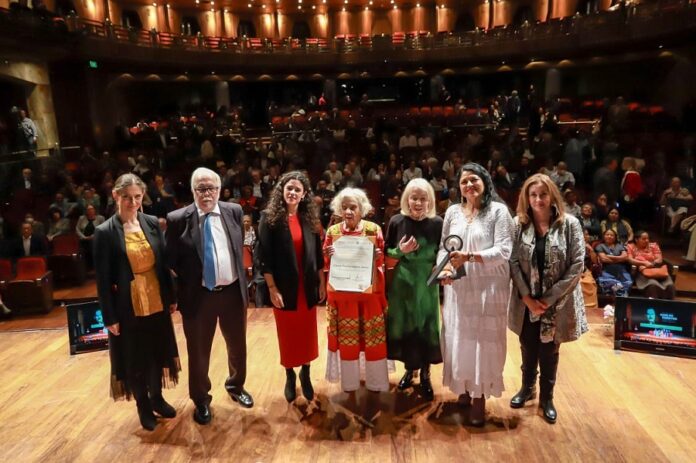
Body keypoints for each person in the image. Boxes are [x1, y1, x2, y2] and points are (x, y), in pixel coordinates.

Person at [166, 167, 252, 425]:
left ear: (219, 189)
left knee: (237, 346)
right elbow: (169, 262)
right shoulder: (177, 218)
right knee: (199, 352)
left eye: (211, 188)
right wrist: (176, 294)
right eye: (200, 189)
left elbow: (238, 249)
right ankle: (201, 400)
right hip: (199, 296)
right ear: (193, 191)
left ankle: (236, 386)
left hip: (232, 294)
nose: (206, 194)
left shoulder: (234, 211)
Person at [93, 173, 180, 431]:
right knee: (135, 356)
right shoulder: (104, 232)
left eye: (137, 197)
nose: (133, 202)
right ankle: (143, 405)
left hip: (155, 297)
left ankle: (157, 397)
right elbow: (103, 280)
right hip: (127, 304)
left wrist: (172, 297)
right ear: (116, 196)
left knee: (156, 350)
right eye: (127, 197)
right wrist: (109, 317)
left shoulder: (152, 222)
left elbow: (163, 265)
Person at [437, 163, 514, 427]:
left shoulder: (499, 212)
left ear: (485, 181)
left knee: (483, 340)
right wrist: (445, 268)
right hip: (459, 286)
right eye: (463, 182)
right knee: (460, 336)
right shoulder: (452, 212)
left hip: (488, 287)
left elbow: (504, 251)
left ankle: (480, 396)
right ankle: (464, 386)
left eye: (474, 180)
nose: (468, 185)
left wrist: (469, 257)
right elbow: (443, 247)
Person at [508, 173, 587, 424]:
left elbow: (577, 264)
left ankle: (547, 398)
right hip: (526, 300)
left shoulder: (570, 224)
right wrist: (527, 297)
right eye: (533, 195)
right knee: (527, 344)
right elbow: (512, 261)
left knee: (549, 350)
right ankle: (527, 387)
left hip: (557, 302)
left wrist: (549, 299)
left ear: (552, 195)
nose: (538, 199)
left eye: (543, 194)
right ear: (526, 197)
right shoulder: (518, 224)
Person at [256, 171, 326, 403]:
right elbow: (263, 256)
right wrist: (272, 288)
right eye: (289, 188)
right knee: (287, 334)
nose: (293, 192)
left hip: (306, 287)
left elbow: (317, 254)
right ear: (282, 191)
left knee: (306, 333)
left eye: (298, 189)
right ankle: (289, 374)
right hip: (284, 288)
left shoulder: (309, 219)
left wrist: (322, 282)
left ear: (304, 194)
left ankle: (305, 373)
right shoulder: (269, 218)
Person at [323, 187, 389, 393]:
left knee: (373, 339)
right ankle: (349, 383)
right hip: (343, 297)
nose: (348, 211)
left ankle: (376, 383)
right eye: (344, 207)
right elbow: (327, 264)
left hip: (369, 295)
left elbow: (382, 260)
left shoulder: (373, 229)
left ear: (362, 209)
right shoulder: (332, 232)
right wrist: (327, 254)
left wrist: (379, 256)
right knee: (348, 341)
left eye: (353, 207)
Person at [385, 179, 443, 401]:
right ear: (406, 199)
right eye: (414, 198)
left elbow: (444, 250)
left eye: (423, 198)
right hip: (402, 283)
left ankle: (426, 374)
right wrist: (400, 250)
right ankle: (410, 371)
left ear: (430, 200)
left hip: (426, 283)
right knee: (406, 325)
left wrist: (440, 264)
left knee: (426, 326)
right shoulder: (396, 220)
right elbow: (387, 253)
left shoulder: (437, 222)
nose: (418, 202)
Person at [626, 231, 674, 299]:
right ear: (636, 240)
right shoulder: (631, 246)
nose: (647, 240)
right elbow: (630, 259)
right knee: (653, 284)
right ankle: (653, 305)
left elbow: (659, 259)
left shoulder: (653, 245)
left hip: (658, 269)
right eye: (644, 239)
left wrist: (651, 264)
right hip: (642, 273)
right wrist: (644, 263)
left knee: (670, 285)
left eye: (647, 238)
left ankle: (670, 305)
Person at [595, 229, 633, 297]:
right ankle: (621, 297)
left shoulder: (619, 246)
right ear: (604, 236)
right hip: (607, 270)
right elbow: (604, 259)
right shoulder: (600, 246)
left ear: (615, 237)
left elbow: (625, 257)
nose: (609, 236)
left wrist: (610, 256)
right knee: (612, 283)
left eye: (611, 235)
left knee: (628, 283)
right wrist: (619, 259)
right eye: (607, 235)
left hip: (621, 271)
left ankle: (617, 294)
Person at [581, 228, 600, 309]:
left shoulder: (589, 246)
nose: (587, 236)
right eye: (585, 234)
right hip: (572, 271)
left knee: (591, 283)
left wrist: (591, 250)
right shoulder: (570, 245)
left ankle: (592, 310)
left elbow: (595, 262)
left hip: (585, 270)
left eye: (587, 234)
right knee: (579, 284)